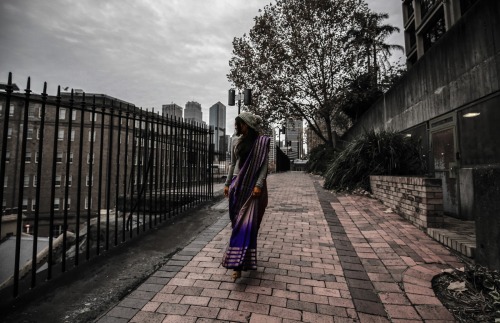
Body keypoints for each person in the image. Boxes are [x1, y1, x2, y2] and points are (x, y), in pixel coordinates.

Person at [221, 111, 270, 281]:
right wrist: (227, 183)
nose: (236, 126)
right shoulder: (235, 140)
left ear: (246, 125)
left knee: (250, 226)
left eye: (239, 123)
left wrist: (258, 185)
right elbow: (233, 163)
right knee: (238, 223)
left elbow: (264, 166)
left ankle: (240, 264)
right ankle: (239, 262)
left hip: (255, 189)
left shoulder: (262, 142)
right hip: (238, 185)